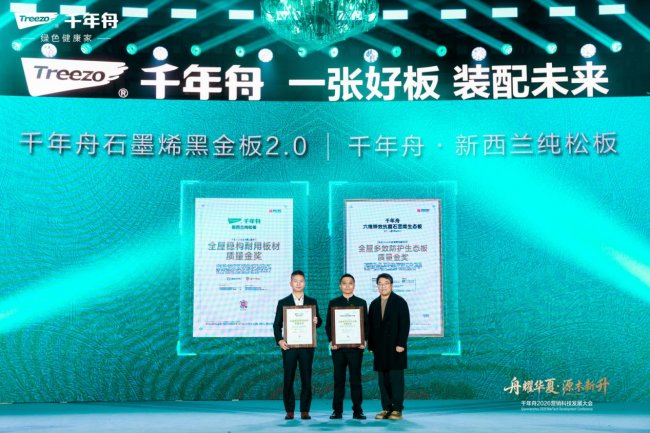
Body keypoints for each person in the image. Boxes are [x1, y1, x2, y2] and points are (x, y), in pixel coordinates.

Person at [273, 270, 322, 420]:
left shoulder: (312, 301)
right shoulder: (283, 302)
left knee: (306, 378)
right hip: (289, 347)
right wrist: (280, 340)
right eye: (295, 281)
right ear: (291, 283)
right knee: (288, 378)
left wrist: (317, 321)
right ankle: (289, 410)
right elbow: (276, 324)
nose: (298, 284)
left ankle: (305, 410)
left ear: (305, 283)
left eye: (301, 281)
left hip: (307, 347)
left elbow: (319, 321)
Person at [325, 273, 369, 420]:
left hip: (356, 349)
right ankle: (337, 411)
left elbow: (366, 325)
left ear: (354, 285)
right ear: (340, 286)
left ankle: (358, 410)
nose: (347, 286)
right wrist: (332, 341)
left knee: (356, 380)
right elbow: (328, 325)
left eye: (350, 283)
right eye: (344, 283)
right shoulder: (333, 302)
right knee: (339, 380)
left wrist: (364, 340)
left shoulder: (361, 302)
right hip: (338, 349)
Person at [367, 273, 410, 421]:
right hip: (379, 349)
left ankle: (397, 409)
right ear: (377, 286)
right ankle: (386, 408)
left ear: (391, 285)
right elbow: (371, 327)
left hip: (395, 347)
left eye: (386, 283)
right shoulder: (374, 304)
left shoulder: (400, 302)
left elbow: (405, 324)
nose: (383, 286)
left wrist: (401, 344)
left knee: (396, 379)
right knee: (383, 380)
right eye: (380, 283)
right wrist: (371, 345)